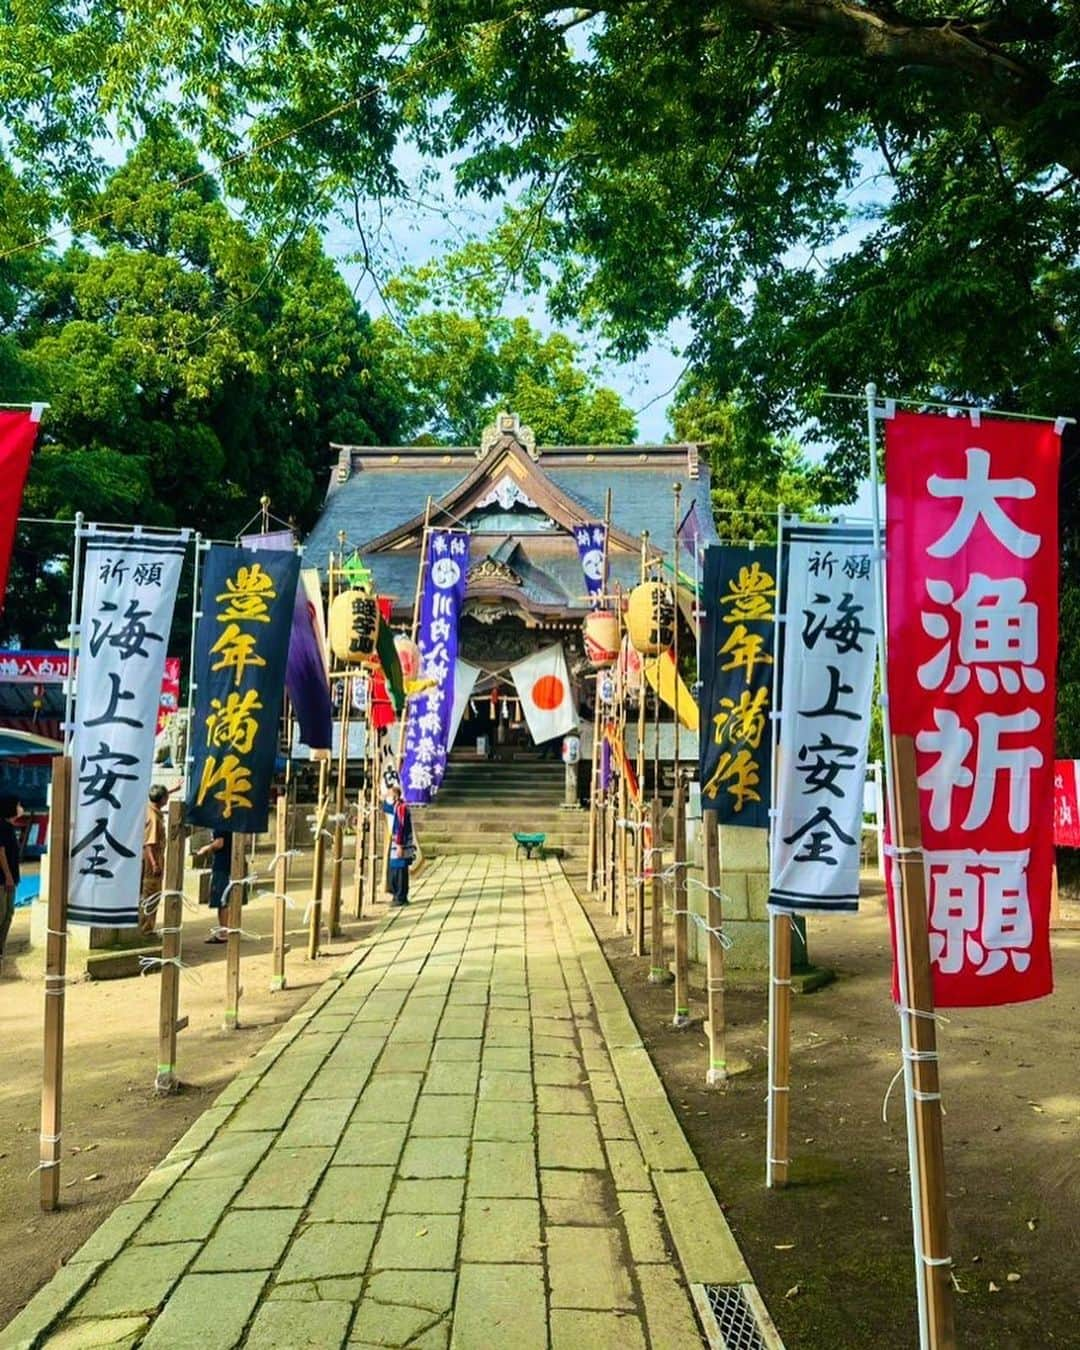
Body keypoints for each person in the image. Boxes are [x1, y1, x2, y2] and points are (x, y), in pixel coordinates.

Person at [139, 785, 169, 936]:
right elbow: (149, 844)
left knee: (149, 894)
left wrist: (175, 789)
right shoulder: (154, 817)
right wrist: (155, 864)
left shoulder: (149, 809)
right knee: (151, 895)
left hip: (151, 859)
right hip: (152, 861)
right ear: (163, 799)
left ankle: (145, 927)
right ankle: (146, 929)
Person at [194, 828, 233, 942]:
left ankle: (224, 933)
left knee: (222, 899)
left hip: (222, 865)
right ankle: (231, 929)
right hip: (233, 862)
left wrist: (207, 848)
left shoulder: (220, 823)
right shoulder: (234, 820)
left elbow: (219, 843)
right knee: (230, 899)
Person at [0, 796, 24, 975]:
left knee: (8, 913)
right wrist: (8, 876)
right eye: (17, 805)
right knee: (1, 914)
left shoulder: (10, 827)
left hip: (11, 879)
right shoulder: (2, 827)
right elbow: (1, 852)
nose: (20, 808)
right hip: (3, 880)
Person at [383, 785, 413, 907]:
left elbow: (400, 828)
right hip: (398, 843)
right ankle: (398, 895)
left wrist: (400, 845)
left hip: (401, 843)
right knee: (395, 870)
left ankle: (400, 896)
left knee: (399, 871)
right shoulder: (397, 806)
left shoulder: (401, 809)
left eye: (390, 795)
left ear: (395, 796)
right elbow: (386, 807)